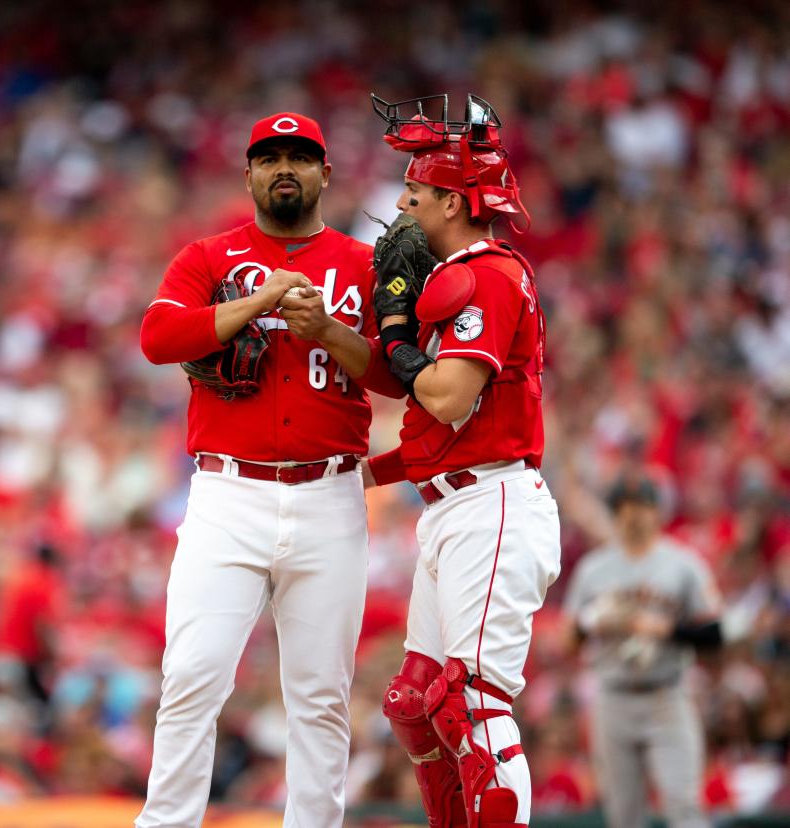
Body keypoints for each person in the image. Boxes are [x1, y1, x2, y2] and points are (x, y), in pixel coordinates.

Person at [136, 112, 405, 828]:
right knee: (192, 675)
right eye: (269, 157)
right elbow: (158, 336)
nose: (284, 167)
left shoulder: (364, 264)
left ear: (325, 173)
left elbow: (400, 376)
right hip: (228, 494)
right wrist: (259, 300)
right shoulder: (209, 257)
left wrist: (328, 332)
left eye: (300, 156)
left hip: (330, 496)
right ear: (248, 174)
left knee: (320, 694)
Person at [361, 94, 561, 828]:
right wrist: (355, 476)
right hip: (456, 504)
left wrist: (395, 338)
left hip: (493, 506)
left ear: (451, 199)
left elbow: (447, 396)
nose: (404, 208)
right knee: (414, 703)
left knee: (471, 701)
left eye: (415, 193)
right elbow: (430, 437)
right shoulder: (458, 279)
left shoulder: (489, 274)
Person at [563, 474, 721, 828]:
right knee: (623, 815)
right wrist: (594, 623)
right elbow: (568, 640)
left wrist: (666, 628)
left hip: (667, 693)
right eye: (624, 508)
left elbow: (714, 634)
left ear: (657, 512)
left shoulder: (683, 564)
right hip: (613, 697)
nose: (633, 515)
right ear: (614, 514)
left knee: (684, 808)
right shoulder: (594, 569)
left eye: (641, 507)